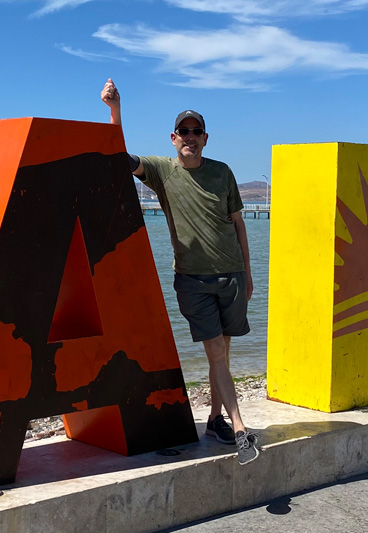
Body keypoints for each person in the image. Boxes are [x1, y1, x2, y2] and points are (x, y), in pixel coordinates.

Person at [100, 78, 260, 465]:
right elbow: (115, 156)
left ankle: (214, 421)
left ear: (206, 138)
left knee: (221, 353)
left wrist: (249, 273)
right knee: (217, 356)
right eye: (184, 132)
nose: (190, 137)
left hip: (233, 276)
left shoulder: (222, 172)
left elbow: (238, 223)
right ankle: (240, 430)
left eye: (196, 131)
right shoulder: (161, 171)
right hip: (193, 280)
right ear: (173, 138)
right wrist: (115, 110)